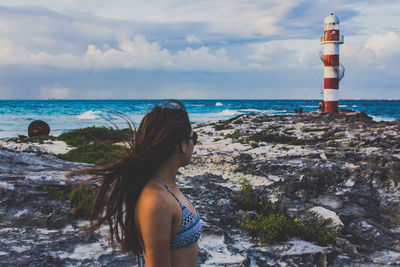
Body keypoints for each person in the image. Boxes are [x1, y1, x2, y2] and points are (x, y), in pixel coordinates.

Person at [71, 100, 201, 267]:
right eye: (194, 137)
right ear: (182, 145)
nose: (194, 144)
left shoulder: (167, 188)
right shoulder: (156, 200)